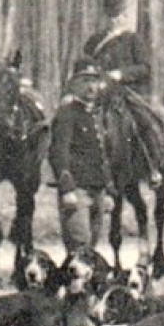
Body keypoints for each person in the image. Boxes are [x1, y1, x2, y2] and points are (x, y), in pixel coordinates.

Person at [81, 0, 164, 188]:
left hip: (126, 91)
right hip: (97, 90)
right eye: (110, 15)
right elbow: (84, 62)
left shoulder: (133, 40)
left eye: (118, 15)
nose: (114, 20)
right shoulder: (94, 42)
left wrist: (120, 74)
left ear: (124, 16)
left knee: (143, 122)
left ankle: (152, 167)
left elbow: (145, 68)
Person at [48, 63, 115, 252]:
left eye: (95, 81)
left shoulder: (98, 115)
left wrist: (109, 190)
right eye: (85, 81)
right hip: (77, 189)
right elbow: (58, 152)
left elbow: (104, 155)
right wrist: (66, 187)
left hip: (98, 189)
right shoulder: (67, 113)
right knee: (80, 243)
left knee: (91, 248)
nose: (91, 87)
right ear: (75, 84)